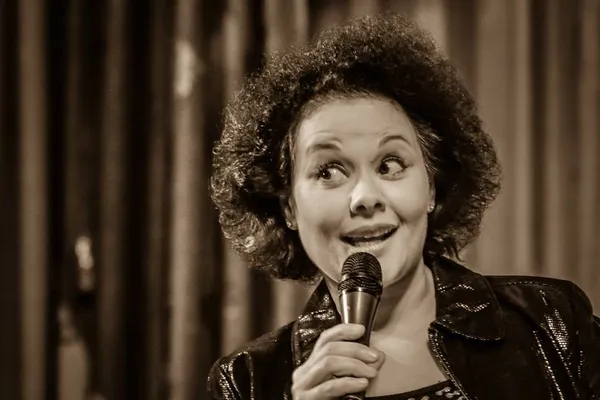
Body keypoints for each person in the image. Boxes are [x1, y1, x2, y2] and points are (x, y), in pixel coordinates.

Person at [207, 14, 600, 399]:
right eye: (328, 171)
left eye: (390, 165)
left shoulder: (552, 321)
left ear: (431, 188)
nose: (365, 197)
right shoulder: (246, 382)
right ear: (288, 207)